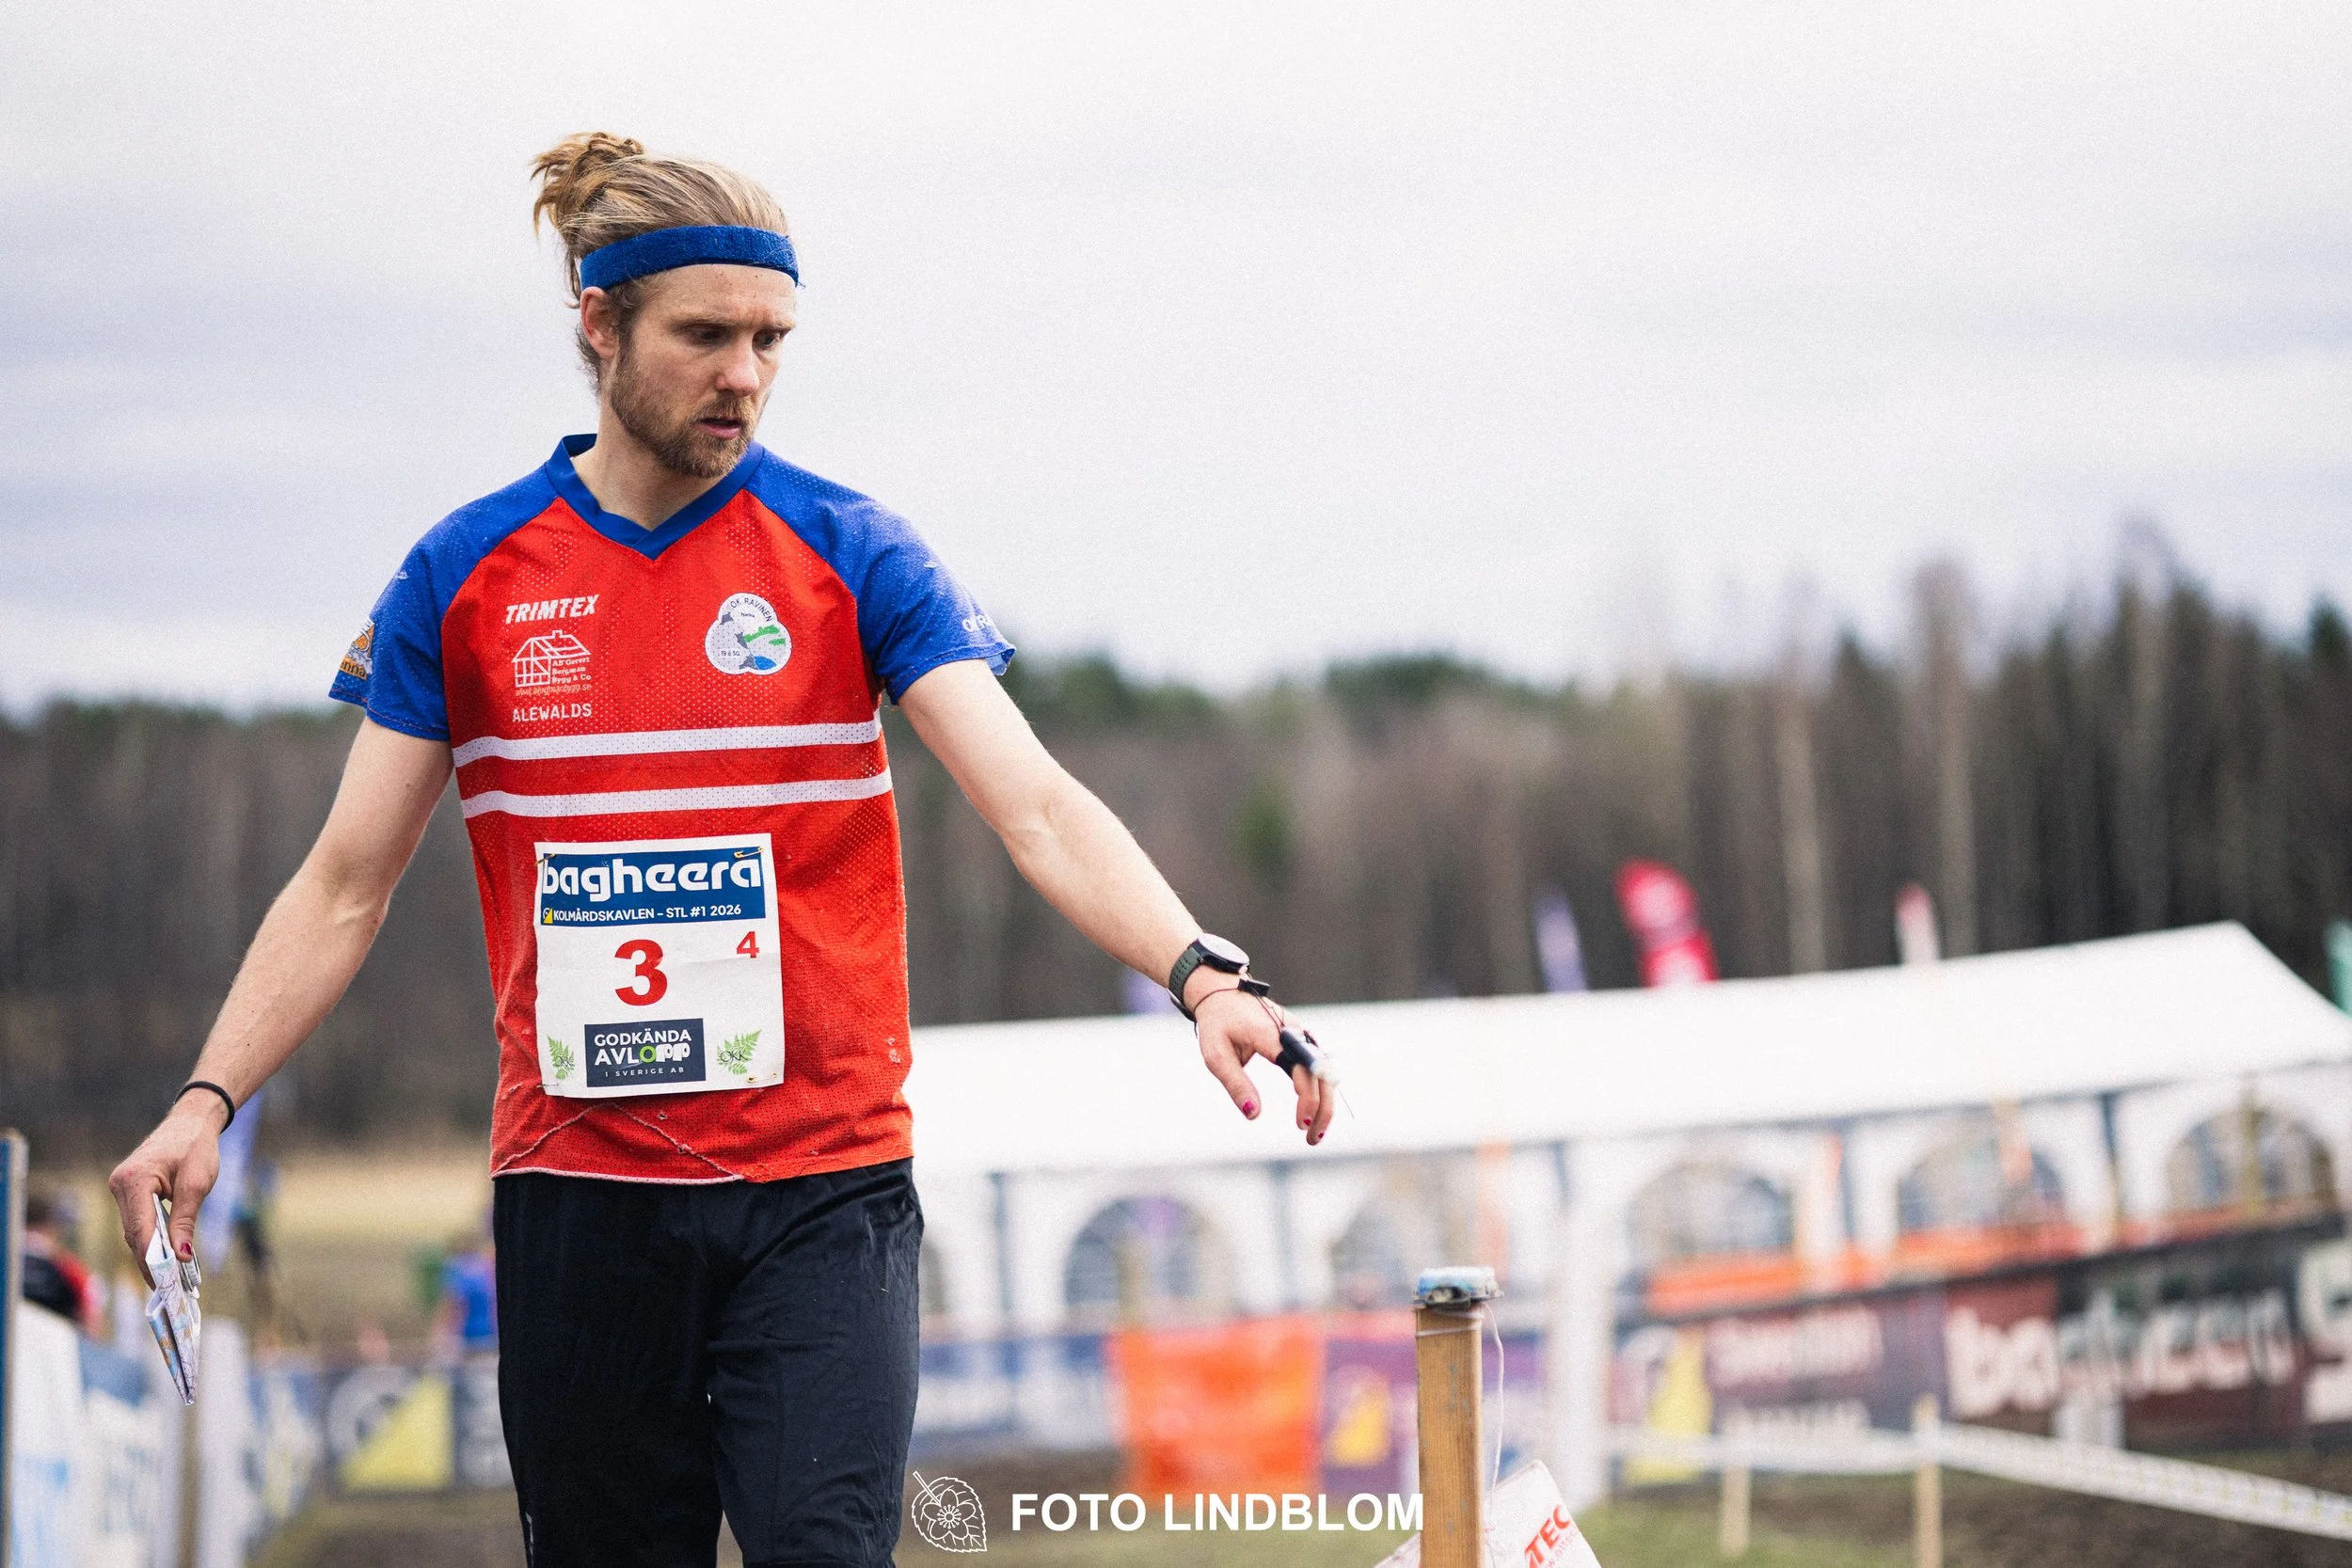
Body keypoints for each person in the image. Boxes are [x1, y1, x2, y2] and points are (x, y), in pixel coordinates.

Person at [108, 132, 1332, 1568]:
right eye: (706, 335)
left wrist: (1198, 973)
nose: (744, 372)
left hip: (822, 1194)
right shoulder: (466, 576)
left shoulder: (855, 551)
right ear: (599, 324)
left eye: (770, 339)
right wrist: (208, 1096)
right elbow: (344, 881)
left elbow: (1039, 804)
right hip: (581, 1201)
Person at [22, 1186, 106, 1337]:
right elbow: (92, 1320)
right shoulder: (70, 1269)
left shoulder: (9, 1262)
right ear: (51, 1227)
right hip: (56, 1351)